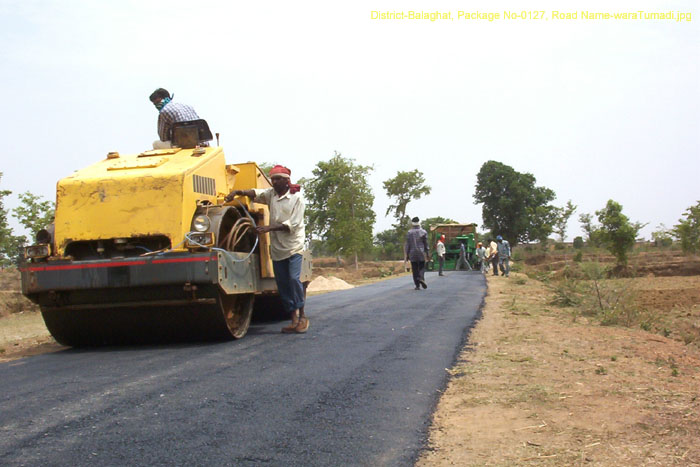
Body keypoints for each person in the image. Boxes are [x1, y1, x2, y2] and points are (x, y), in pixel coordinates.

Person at [224, 165, 308, 333]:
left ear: (287, 181)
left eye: (278, 179)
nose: (274, 182)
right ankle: (293, 320)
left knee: (293, 279)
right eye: (273, 179)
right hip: (277, 249)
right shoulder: (271, 195)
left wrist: (268, 228)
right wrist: (237, 192)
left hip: (293, 246)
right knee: (283, 284)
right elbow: (255, 193)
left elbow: (294, 224)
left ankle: (302, 316)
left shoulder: (297, 198)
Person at [404, 217, 428, 290]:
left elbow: (407, 245)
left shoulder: (409, 232)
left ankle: (417, 285)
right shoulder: (423, 232)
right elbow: (426, 244)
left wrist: (407, 255)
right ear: (419, 222)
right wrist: (427, 253)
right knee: (422, 267)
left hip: (412, 253)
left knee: (414, 269)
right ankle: (421, 277)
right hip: (421, 253)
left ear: (412, 223)